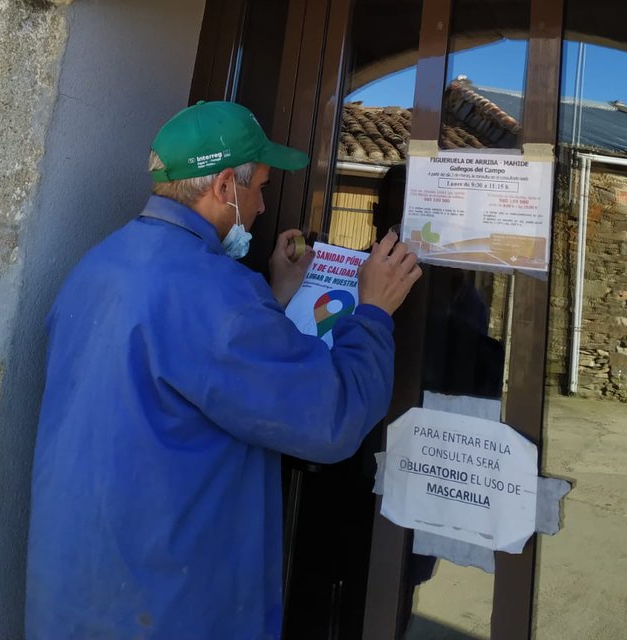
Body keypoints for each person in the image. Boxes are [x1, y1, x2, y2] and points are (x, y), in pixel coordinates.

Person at [25, 100, 421, 640]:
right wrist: (374, 311)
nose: (262, 205)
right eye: (260, 187)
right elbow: (333, 418)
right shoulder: (218, 294)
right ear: (224, 186)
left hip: (77, 591)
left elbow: (186, 372)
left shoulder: (99, 264)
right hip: (169, 609)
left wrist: (275, 296)